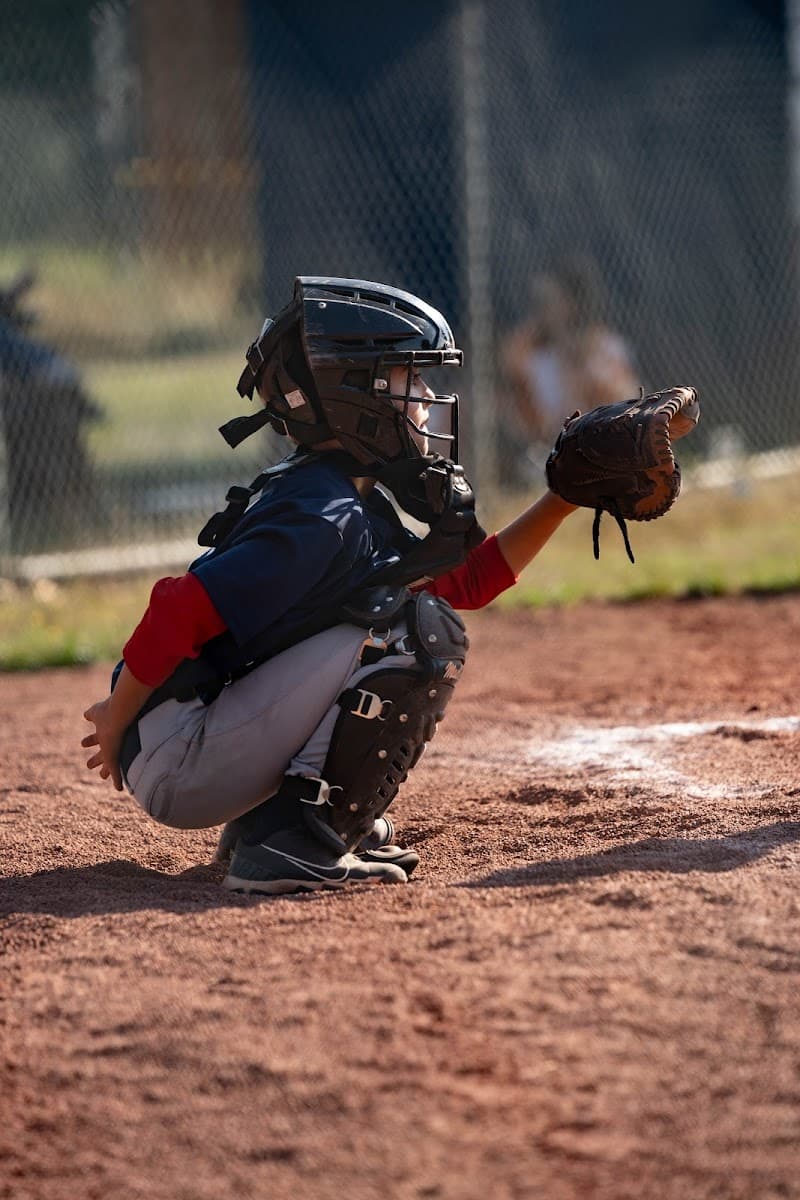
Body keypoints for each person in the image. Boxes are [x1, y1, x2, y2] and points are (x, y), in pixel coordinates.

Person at [82, 276, 577, 895]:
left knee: (409, 612)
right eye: (409, 378)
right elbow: (178, 611)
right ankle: (296, 837)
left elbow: (469, 580)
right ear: (356, 398)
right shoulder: (323, 516)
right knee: (419, 634)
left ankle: (277, 820)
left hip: (193, 739)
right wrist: (114, 714)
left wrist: (561, 500)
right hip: (183, 754)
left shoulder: (348, 498)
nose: (428, 396)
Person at [499, 255, 638, 480]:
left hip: (603, 445)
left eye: (548, 301)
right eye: (538, 303)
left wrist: (579, 364)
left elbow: (628, 402)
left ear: (573, 303)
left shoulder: (603, 346)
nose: (541, 311)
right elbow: (531, 424)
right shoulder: (535, 357)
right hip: (549, 450)